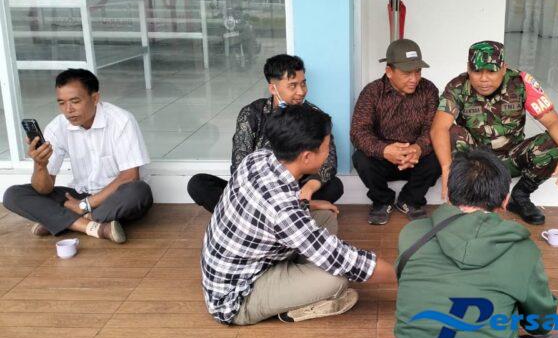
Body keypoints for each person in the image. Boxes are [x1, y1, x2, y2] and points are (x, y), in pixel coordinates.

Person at [393, 149, 558, 338]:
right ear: (505, 201)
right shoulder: (522, 250)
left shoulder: (412, 235)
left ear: (448, 193)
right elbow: (541, 324)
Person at [201, 104, 396, 325]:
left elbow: (270, 206)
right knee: (336, 279)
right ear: (306, 157)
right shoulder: (283, 212)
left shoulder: (259, 158)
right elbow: (345, 260)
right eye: (326, 147)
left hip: (252, 264)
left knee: (326, 217)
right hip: (238, 298)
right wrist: (403, 277)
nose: (329, 153)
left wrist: (308, 203)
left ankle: (300, 277)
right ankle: (300, 303)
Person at [430, 41, 558, 225]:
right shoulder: (458, 86)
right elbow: (438, 128)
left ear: (503, 68)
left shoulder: (521, 83)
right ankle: (468, 198)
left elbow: (554, 122)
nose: (484, 79)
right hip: (476, 163)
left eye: (491, 71)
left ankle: (520, 196)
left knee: (555, 143)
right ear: (468, 68)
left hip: (512, 158)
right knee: (452, 132)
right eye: (477, 71)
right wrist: (447, 168)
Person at [2, 69, 152, 244]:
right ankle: (95, 227)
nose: (68, 110)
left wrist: (83, 206)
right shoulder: (57, 127)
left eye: (75, 101)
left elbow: (129, 176)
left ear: (95, 98)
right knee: (13, 194)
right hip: (78, 195)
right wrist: (40, 165)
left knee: (138, 191)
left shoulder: (121, 120)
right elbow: (44, 189)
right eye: (61, 103)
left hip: (114, 196)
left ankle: (60, 220)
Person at [187, 54, 343, 213]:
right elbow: (239, 163)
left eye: (303, 84)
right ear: (273, 88)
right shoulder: (252, 113)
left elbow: (329, 159)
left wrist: (309, 188)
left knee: (335, 186)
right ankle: (291, 211)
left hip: (296, 189)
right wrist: (262, 194)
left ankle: (253, 215)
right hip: (254, 189)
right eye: (293, 85)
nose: (301, 91)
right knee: (198, 184)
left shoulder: (314, 116)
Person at [351, 39, 441, 225]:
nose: (414, 79)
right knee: (361, 158)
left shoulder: (429, 90)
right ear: (389, 71)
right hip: (384, 159)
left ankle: (410, 200)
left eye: (418, 72)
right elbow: (358, 132)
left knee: (439, 154)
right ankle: (382, 201)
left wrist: (418, 148)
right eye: (407, 73)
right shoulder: (372, 92)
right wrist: (385, 150)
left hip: (416, 158)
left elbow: (432, 128)